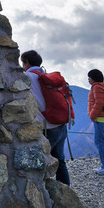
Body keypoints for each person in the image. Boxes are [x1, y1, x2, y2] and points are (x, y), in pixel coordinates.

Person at [20, 50, 70, 185]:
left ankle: (41, 191)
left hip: (47, 127)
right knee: (60, 160)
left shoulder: (27, 77)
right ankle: (65, 189)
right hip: (61, 125)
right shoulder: (46, 76)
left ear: (27, 63)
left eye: (22, 62)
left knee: (42, 160)